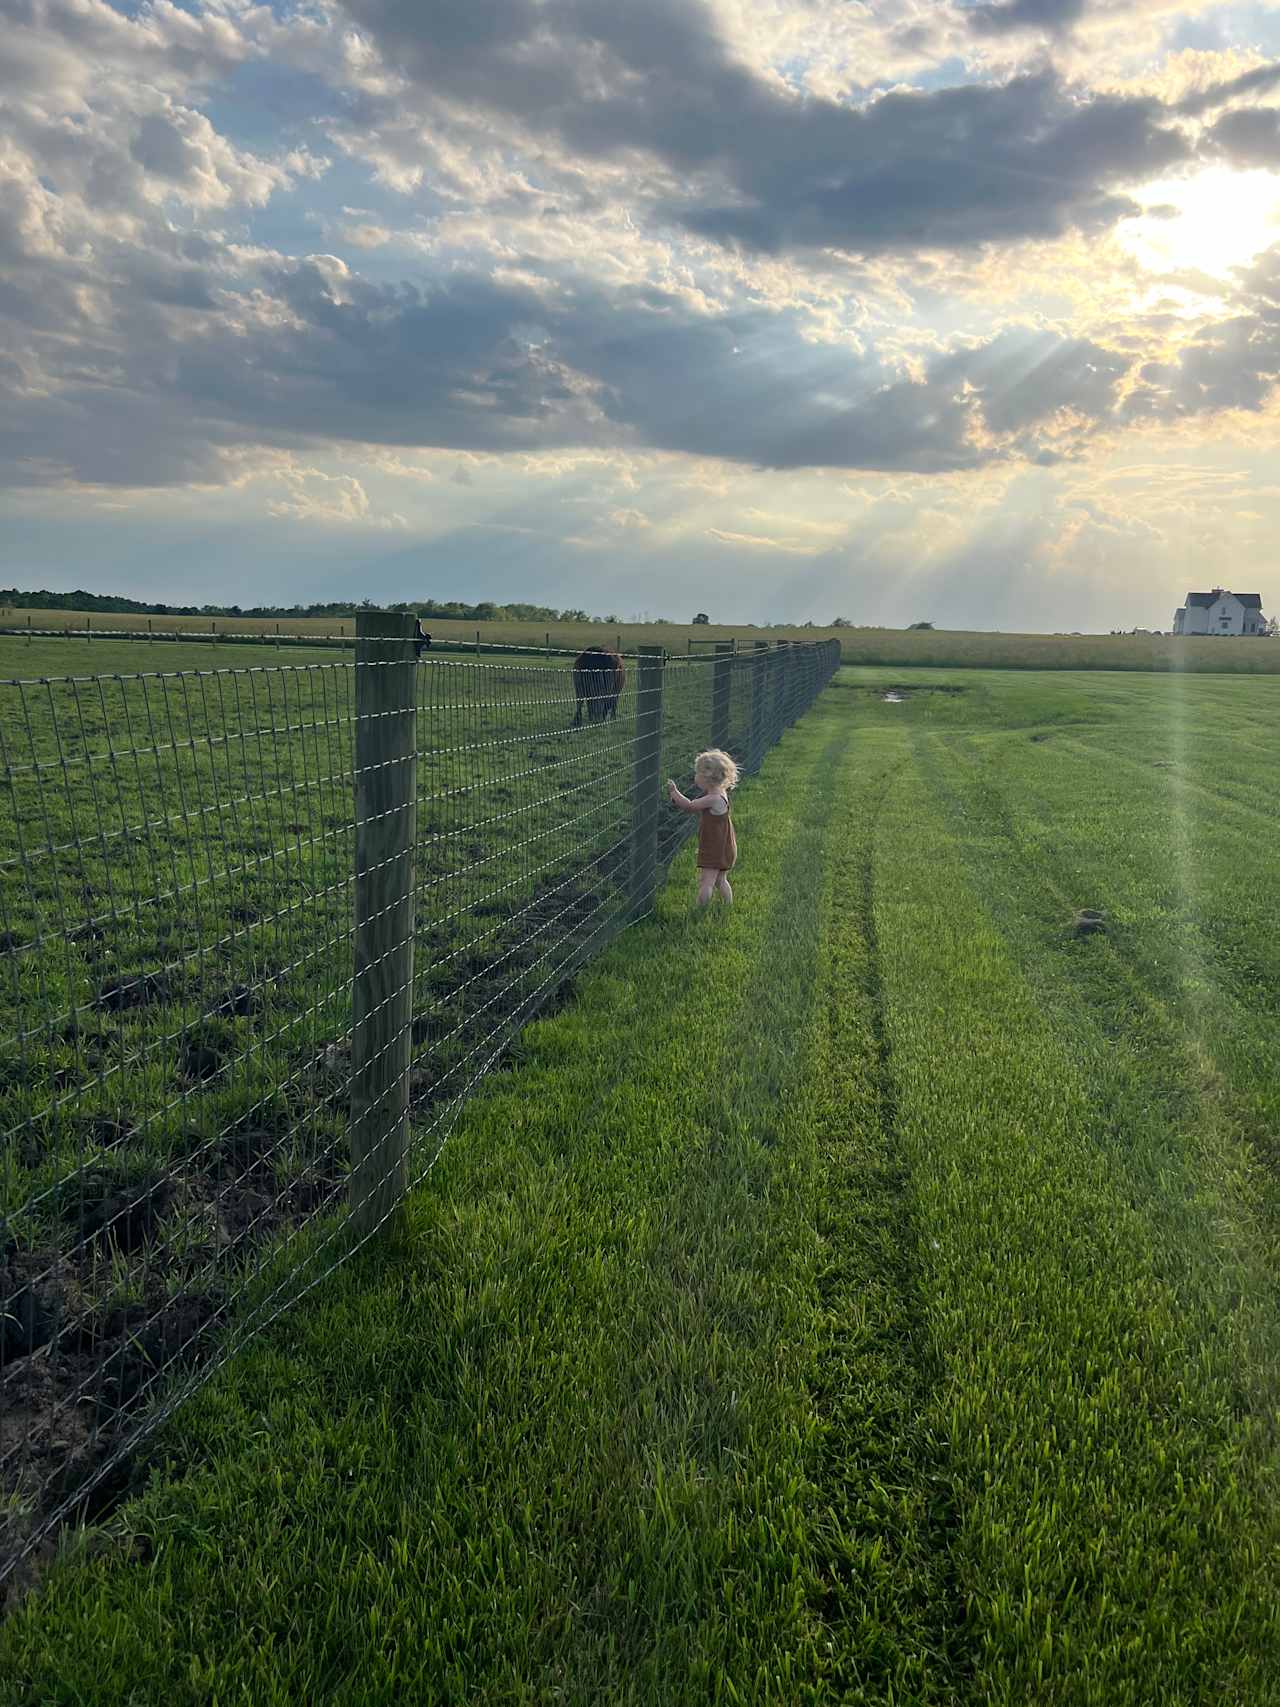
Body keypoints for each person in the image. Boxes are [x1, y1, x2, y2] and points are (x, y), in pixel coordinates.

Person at [666, 749, 738, 906]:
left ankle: (700, 909)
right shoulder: (720, 793)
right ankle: (728, 905)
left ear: (707, 778)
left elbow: (690, 806)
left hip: (715, 848)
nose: (695, 777)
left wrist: (674, 792)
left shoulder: (713, 798)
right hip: (725, 846)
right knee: (720, 880)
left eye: (697, 773)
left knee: (706, 882)